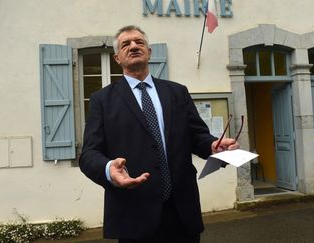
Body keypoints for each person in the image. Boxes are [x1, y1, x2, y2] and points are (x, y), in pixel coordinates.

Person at [79, 25, 239, 243]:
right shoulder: (102, 100)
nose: (134, 46)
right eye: (126, 44)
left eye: (139, 42)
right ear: (117, 58)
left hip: (182, 211)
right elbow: (89, 154)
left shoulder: (177, 92)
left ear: (149, 52)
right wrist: (109, 169)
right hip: (134, 213)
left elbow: (197, 136)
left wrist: (213, 145)